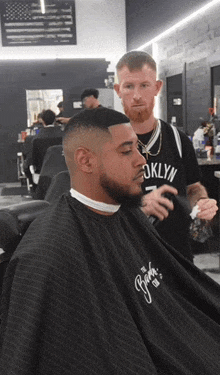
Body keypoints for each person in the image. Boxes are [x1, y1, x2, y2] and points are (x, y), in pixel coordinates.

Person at [1, 107, 220, 375]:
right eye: (127, 150)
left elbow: (178, 291)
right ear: (86, 161)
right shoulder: (49, 256)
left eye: (138, 149)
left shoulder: (126, 215)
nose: (142, 161)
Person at [114, 51, 218, 261]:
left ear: (157, 87)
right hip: (128, 257)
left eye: (144, 85)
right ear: (118, 90)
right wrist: (136, 209)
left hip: (177, 255)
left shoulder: (178, 139)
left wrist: (201, 203)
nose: (136, 95)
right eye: (129, 86)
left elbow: (193, 187)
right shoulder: (106, 143)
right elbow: (92, 210)